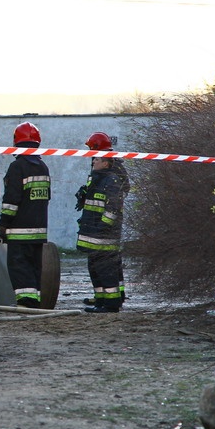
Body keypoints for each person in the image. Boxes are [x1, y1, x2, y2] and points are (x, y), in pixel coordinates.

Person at [0, 122, 51, 308]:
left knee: (20, 267)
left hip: (19, 229)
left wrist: (3, 223)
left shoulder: (17, 167)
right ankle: (34, 301)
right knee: (35, 267)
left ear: (16, 142)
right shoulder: (43, 167)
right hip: (39, 230)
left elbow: (11, 200)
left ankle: (26, 303)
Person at [76, 133, 127, 313]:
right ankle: (101, 299)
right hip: (95, 235)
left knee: (106, 269)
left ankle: (111, 303)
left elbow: (112, 210)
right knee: (95, 268)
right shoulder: (98, 176)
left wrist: (102, 229)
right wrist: (84, 194)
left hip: (103, 236)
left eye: (95, 158)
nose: (92, 161)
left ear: (105, 162)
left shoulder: (112, 180)